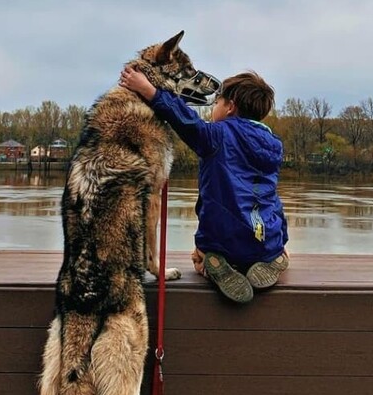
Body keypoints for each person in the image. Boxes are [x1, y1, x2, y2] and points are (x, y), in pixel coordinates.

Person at [119, 65, 289, 304]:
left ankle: (208, 263)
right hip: (265, 242)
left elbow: (184, 120)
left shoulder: (216, 136)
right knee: (268, 216)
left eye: (216, 102)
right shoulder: (274, 145)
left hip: (223, 242)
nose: (212, 108)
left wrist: (150, 91)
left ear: (230, 107)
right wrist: (281, 238)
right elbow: (273, 200)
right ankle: (277, 257)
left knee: (201, 253)